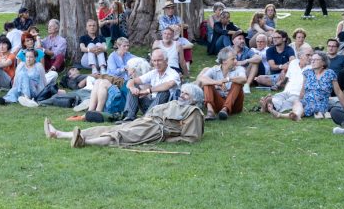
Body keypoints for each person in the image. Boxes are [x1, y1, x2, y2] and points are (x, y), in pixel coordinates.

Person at [43, 83, 204, 148]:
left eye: (186, 95)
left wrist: (167, 138)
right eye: (182, 92)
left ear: (194, 99)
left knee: (119, 134)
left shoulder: (193, 112)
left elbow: (191, 137)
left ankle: (84, 142)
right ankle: (58, 134)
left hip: (155, 130)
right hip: (146, 121)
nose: (182, 96)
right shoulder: (174, 103)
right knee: (107, 127)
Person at [122, 48, 179, 121]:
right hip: (150, 105)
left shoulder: (173, 73)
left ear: (166, 60)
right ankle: (128, 118)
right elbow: (132, 81)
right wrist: (132, 88)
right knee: (134, 86)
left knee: (164, 92)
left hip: (164, 109)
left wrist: (148, 91)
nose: (156, 63)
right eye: (154, 61)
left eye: (159, 60)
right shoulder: (153, 73)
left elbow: (169, 84)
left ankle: (146, 119)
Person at [196, 46, 245, 120]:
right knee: (207, 83)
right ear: (224, 61)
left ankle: (225, 109)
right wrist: (217, 82)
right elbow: (201, 79)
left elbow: (244, 79)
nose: (236, 61)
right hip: (219, 103)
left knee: (237, 83)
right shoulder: (214, 69)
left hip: (235, 105)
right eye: (233, 59)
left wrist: (228, 79)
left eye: (236, 58)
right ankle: (210, 112)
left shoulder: (239, 69)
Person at [262, 45, 309, 121]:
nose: (311, 57)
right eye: (308, 55)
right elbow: (288, 78)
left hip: (297, 93)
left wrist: (302, 95)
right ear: (300, 56)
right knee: (277, 97)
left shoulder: (312, 67)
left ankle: (269, 106)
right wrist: (279, 84)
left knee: (289, 102)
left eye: (311, 55)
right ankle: (269, 103)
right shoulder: (293, 63)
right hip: (287, 91)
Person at [303, 51, 344, 118]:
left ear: (323, 62)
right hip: (307, 101)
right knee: (298, 104)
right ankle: (288, 115)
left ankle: (316, 113)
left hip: (321, 102)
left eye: (316, 60)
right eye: (312, 59)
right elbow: (303, 90)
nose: (313, 61)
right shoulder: (307, 73)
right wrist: (299, 100)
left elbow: (338, 92)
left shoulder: (329, 73)